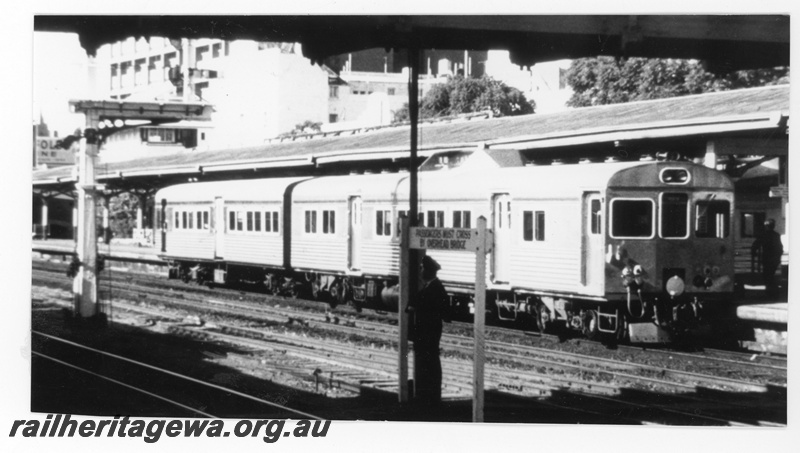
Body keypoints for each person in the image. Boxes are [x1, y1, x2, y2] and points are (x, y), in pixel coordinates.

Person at [407, 255, 450, 404]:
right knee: (426, 362)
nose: (420, 272)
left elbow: (443, 311)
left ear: (427, 271)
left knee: (429, 363)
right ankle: (426, 394)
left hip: (428, 333)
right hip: (424, 333)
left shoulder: (435, 289)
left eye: (422, 269)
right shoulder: (431, 287)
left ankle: (430, 396)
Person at [751, 219, 784, 297]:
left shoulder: (763, 235)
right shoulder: (776, 235)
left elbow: (756, 244)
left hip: (767, 259)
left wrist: (753, 252)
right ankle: (773, 292)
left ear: (766, 226)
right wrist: (778, 257)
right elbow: (780, 248)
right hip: (774, 259)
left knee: (767, 275)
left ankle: (770, 292)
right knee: (770, 275)